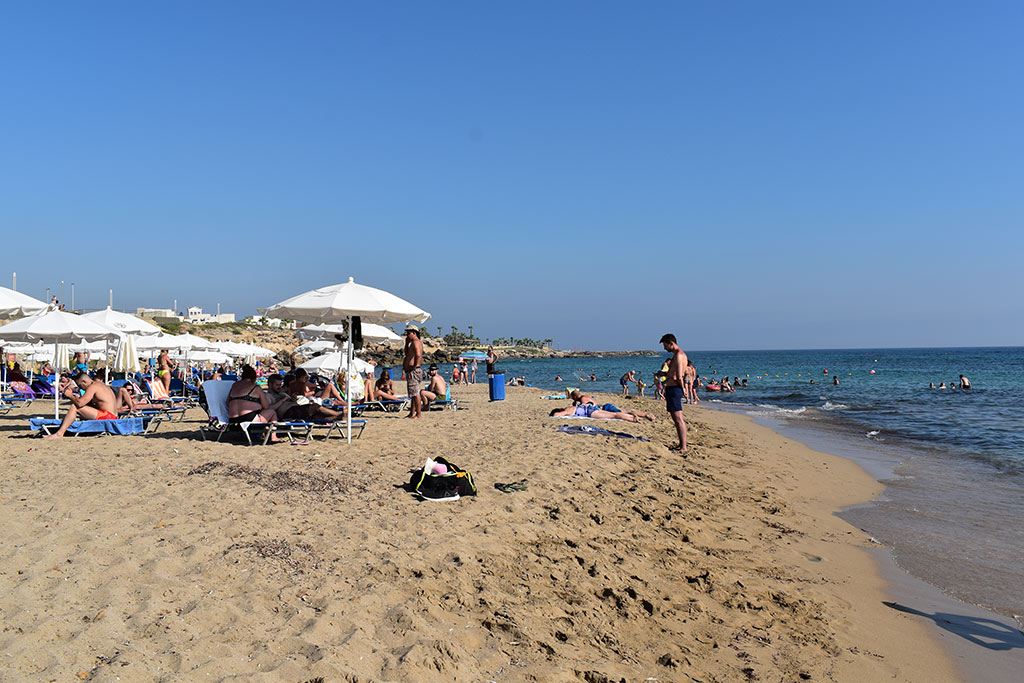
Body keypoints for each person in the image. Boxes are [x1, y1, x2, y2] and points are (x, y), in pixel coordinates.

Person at [43, 371, 119, 438]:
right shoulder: (100, 385)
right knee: (83, 408)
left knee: (75, 407)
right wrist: (77, 398)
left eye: (80, 385)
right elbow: (88, 404)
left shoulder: (93, 387)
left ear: (84, 381)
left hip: (108, 416)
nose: (81, 389)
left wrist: (70, 395)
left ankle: (59, 434)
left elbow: (79, 404)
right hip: (114, 416)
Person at [226, 365, 280, 441]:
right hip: (250, 422)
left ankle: (262, 434)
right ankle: (274, 436)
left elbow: (227, 403)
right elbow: (266, 406)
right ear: (254, 378)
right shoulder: (256, 387)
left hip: (233, 422)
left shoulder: (234, 385)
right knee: (272, 412)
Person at [660, 333, 688, 452]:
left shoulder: (679, 356)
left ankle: (683, 447)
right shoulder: (676, 355)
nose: (664, 348)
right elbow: (675, 374)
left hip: (675, 389)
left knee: (678, 419)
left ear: (671, 343)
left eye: (665, 345)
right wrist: (665, 375)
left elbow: (679, 376)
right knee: (676, 419)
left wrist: (684, 389)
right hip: (673, 388)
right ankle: (681, 444)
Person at [549, 403, 655, 422]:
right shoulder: (571, 407)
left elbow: (556, 415)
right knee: (619, 413)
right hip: (592, 408)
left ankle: (633, 419)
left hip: (590, 412)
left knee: (615, 415)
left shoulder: (567, 410)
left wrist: (553, 414)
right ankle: (645, 415)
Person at [404, 325, 424, 419]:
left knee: (415, 393)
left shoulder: (416, 342)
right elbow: (407, 354)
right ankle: (412, 413)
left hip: (413, 371)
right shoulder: (414, 343)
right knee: (413, 393)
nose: (407, 335)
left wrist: (414, 366)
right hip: (412, 370)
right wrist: (406, 343)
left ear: (414, 333)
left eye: (408, 333)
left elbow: (418, 355)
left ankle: (418, 414)